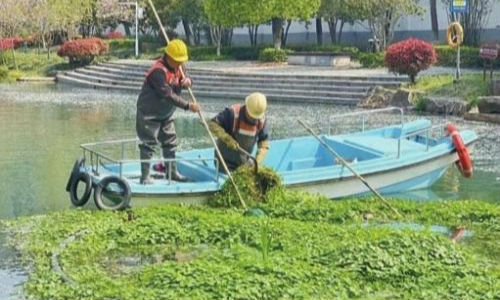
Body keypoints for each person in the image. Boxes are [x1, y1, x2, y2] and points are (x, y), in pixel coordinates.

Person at [136, 39, 200, 184]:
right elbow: (168, 95)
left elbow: (186, 77)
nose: (179, 64)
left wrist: (188, 81)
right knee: (148, 143)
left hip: (166, 114)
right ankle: (145, 176)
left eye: (181, 61)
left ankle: (172, 173)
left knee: (170, 141)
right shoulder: (157, 71)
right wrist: (188, 106)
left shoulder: (179, 66)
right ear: (168, 56)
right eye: (177, 61)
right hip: (149, 113)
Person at [208, 92, 270, 172]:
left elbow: (263, 143)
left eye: (257, 117)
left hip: (243, 162)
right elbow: (212, 124)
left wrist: (257, 163)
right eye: (252, 117)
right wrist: (227, 139)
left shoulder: (262, 121)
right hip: (224, 161)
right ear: (246, 107)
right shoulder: (232, 113)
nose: (255, 120)